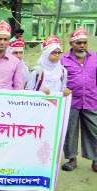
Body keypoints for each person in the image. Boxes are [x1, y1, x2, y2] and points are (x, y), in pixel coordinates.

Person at [61, 27, 97, 172]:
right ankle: (72, 159)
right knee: (70, 131)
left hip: (91, 100)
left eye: (84, 42)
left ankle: (95, 160)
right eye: (79, 43)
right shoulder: (63, 59)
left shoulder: (95, 58)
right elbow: (59, 80)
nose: (82, 45)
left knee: (94, 130)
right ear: (72, 44)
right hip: (71, 102)